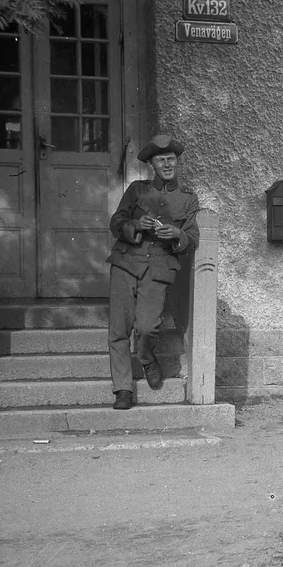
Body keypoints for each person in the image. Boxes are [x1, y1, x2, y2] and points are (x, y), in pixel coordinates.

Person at [107, 134, 200, 410]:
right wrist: (136, 225)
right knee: (119, 328)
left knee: (148, 326)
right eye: (161, 160)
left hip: (159, 268)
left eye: (171, 159)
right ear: (152, 164)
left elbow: (192, 238)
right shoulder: (137, 190)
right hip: (126, 263)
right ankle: (123, 389)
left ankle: (146, 357)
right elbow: (116, 222)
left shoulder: (188, 199)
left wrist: (177, 234)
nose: (167, 164)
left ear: (177, 162)